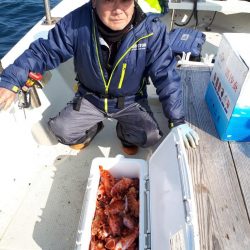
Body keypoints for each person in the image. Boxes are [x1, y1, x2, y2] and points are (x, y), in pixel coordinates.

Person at [0, 0, 199, 155]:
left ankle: (125, 132)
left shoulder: (152, 30)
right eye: (109, 0)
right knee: (62, 131)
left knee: (149, 137)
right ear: (94, 2)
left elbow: (166, 75)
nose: (118, 9)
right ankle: (93, 126)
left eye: (124, 1)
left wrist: (177, 120)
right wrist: (11, 81)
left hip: (130, 100)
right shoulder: (76, 24)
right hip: (90, 98)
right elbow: (43, 52)